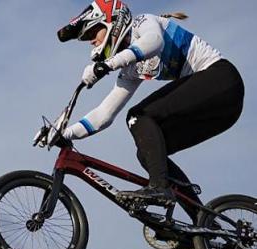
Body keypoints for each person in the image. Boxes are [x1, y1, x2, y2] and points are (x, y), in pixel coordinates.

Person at [56, 0, 244, 222]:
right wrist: (65, 134)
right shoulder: (130, 69)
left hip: (221, 80)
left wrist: (107, 65)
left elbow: (153, 43)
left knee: (139, 116)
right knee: (149, 153)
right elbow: (104, 115)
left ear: (112, 23)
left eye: (93, 33)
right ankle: (202, 224)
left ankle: (158, 188)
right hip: (220, 108)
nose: (92, 43)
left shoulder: (143, 23)